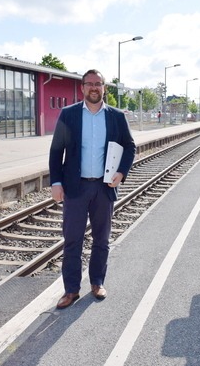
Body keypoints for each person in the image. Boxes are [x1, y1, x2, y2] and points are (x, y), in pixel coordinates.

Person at [49, 69, 136, 309]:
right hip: (75, 188)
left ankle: (97, 282)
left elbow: (129, 147)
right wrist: (56, 182)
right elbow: (57, 150)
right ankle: (71, 290)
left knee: (101, 240)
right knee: (72, 240)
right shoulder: (69, 115)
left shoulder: (116, 117)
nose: (94, 88)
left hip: (103, 187)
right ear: (82, 88)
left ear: (104, 88)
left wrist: (122, 172)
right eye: (90, 84)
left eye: (98, 84)